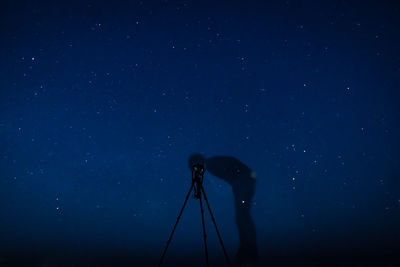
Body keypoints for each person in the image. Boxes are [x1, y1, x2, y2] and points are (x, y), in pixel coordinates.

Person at [188, 153, 258, 266]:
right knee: (241, 216)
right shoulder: (212, 165)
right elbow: (232, 162)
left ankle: (248, 250)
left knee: (242, 215)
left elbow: (232, 161)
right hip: (241, 181)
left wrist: (246, 175)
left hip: (242, 181)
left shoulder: (212, 164)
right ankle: (246, 248)